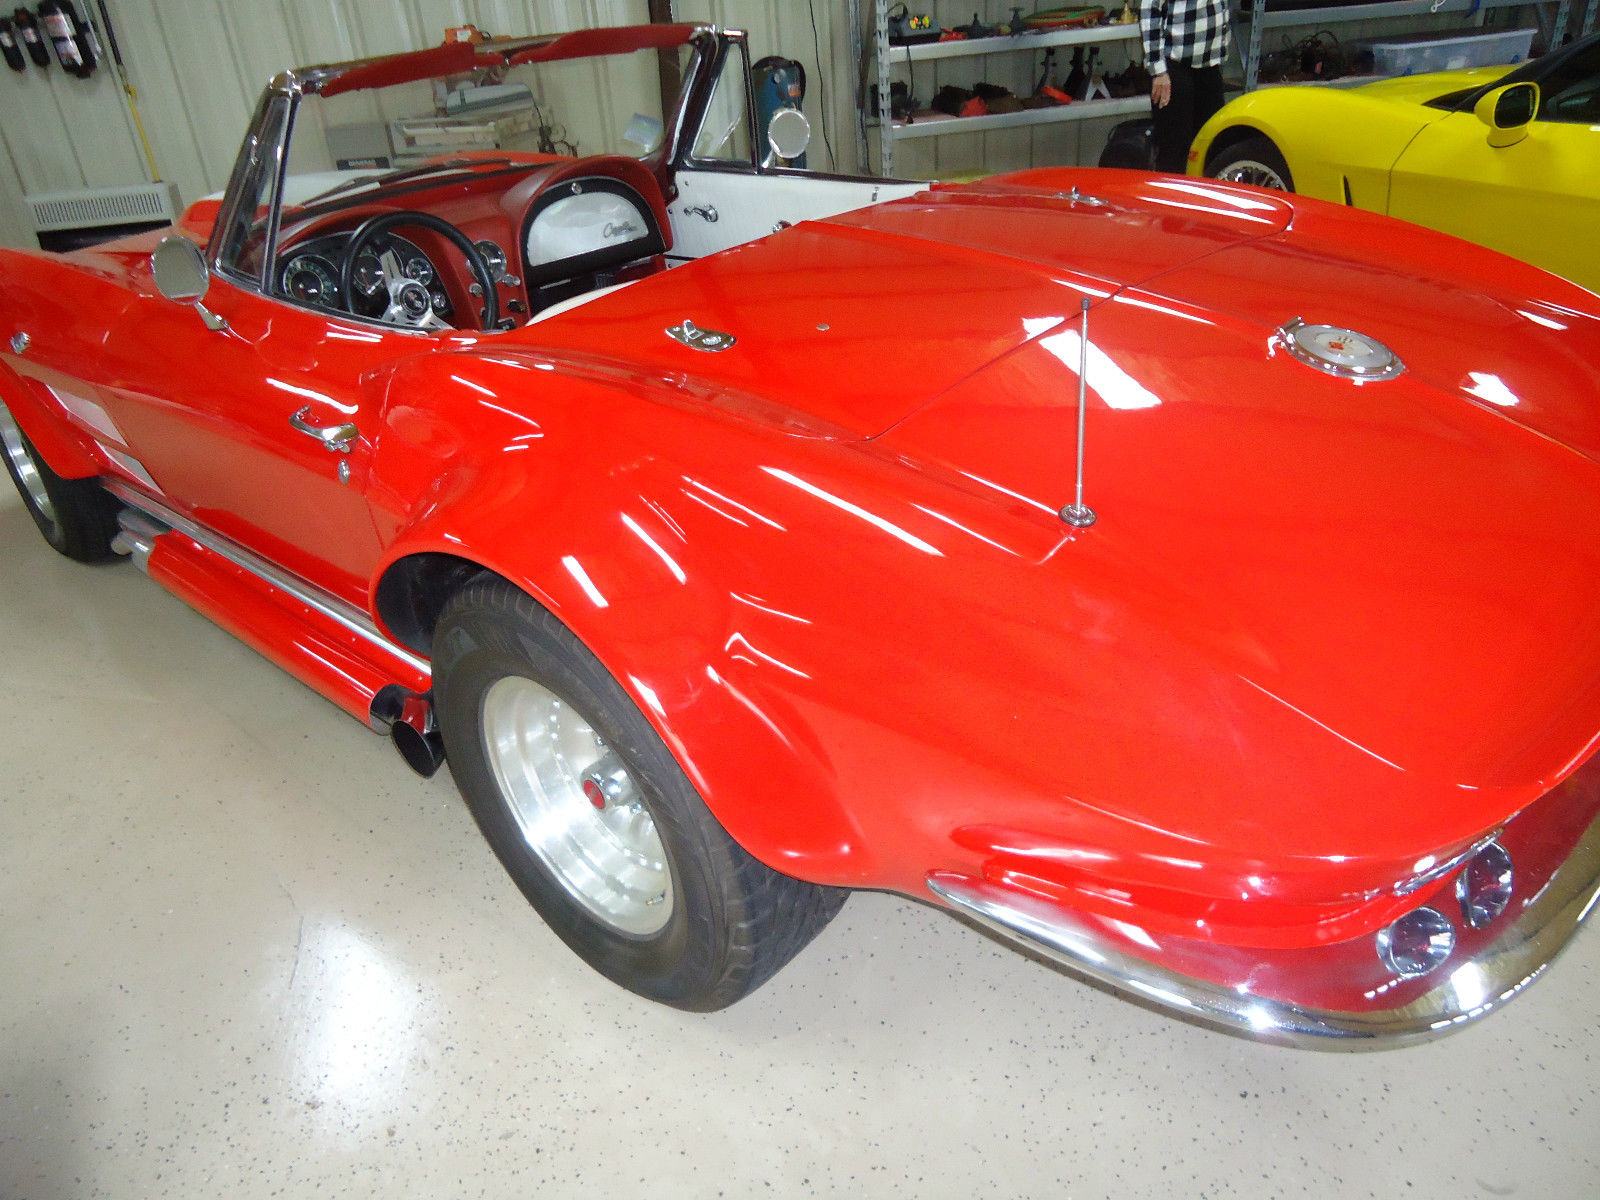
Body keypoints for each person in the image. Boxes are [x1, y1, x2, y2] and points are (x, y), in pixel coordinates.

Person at [1140, 0, 1231, 173]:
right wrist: (1158, 71)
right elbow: (1149, 10)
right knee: (1174, 152)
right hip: (1173, 68)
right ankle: (1170, 198)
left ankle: (1200, 199)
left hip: (1209, 65)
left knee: (1211, 146)